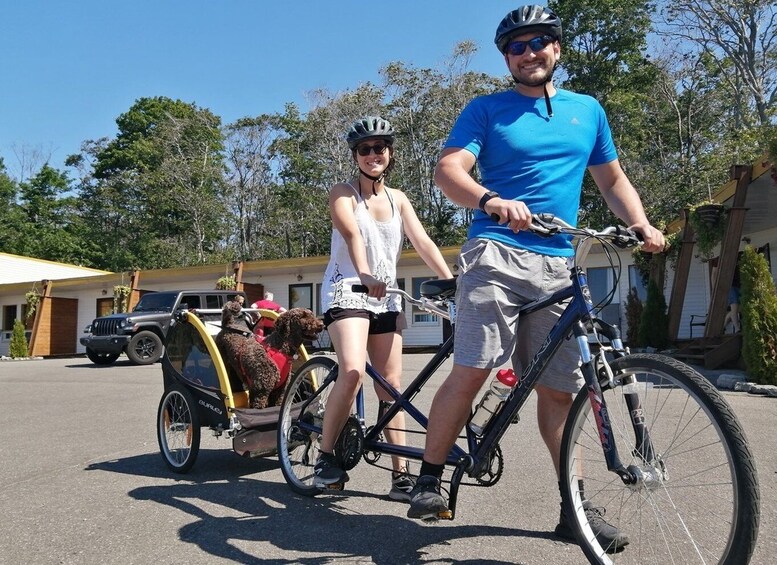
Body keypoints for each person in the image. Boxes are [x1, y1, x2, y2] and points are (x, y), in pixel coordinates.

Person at [406, 5, 665, 550]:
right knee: (476, 365)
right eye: (516, 47)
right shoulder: (487, 110)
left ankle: (574, 507)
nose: (528, 54)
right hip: (495, 251)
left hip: (555, 261)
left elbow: (612, 178)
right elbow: (449, 171)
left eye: (538, 43)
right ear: (506, 58)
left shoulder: (587, 111)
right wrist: (493, 200)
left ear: (557, 49)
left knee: (560, 392)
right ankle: (429, 479)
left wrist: (638, 221)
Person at [316, 116, 454, 501]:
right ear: (355, 156)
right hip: (349, 290)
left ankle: (401, 476)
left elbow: (422, 240)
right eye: (365, 149)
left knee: (391, 387)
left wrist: (449, 281)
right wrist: (363, 272)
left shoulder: (399, 198)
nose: (373, 155)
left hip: (386, 295)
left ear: (389, 153)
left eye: (380, 148)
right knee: (353, 371)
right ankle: (325, 458)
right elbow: (352, 233)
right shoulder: (343, 192)